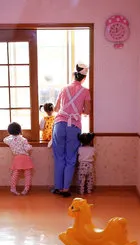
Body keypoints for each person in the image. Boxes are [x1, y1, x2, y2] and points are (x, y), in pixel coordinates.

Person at [51, 63, 91, 197]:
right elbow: (87, 111)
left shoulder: (64, 88)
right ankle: (65, 189)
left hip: (59, 124)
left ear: (74, 75)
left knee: (59, 157)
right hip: (74, 126)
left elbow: (56, 108)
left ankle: (57, 187)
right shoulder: (85, 91)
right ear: (84, 78)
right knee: (71, 158)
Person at [3, 122, 34, 195]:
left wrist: (10, 136)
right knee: (28, 174)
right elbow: (27, 149)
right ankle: (26, 189)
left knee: (15, 173)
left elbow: (4, 139)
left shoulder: (9, 140)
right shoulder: (23, 139)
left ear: (9, 131)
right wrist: (30, 146)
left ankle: (13, 188)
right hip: (25, 157)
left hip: (17, 158)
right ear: (20, 130)